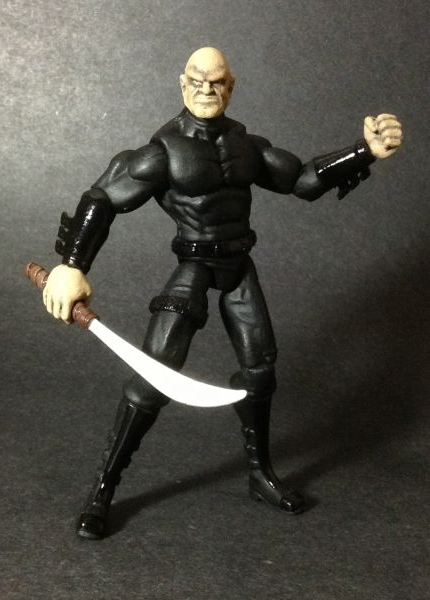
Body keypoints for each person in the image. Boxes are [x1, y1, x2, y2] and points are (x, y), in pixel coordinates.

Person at [43, 47, 402, 539]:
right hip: (193, 265)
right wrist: (71, 266)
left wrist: (364, 150)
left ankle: (261, 475)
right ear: (182, 83)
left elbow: (302, 179)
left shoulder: (246, 146)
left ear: (231, 86)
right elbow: (102, 197)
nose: (206, 90)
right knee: (152, 376)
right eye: (197, 80)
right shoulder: (163, 152)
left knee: (260, 370)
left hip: (237, 265)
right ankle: (102, 491)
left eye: (216, 82)